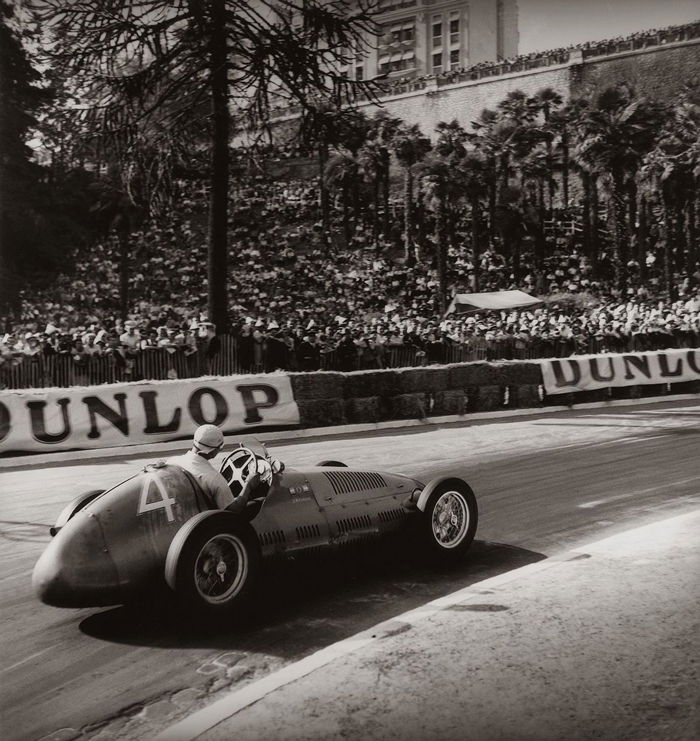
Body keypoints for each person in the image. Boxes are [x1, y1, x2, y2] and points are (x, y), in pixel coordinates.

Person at [166, 424, 254, 514]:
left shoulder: (172, 462)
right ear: (212, 450)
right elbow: (233, 511)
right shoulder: (214, 478)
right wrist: (249, 484)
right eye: (220, 447)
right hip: (205, 523)